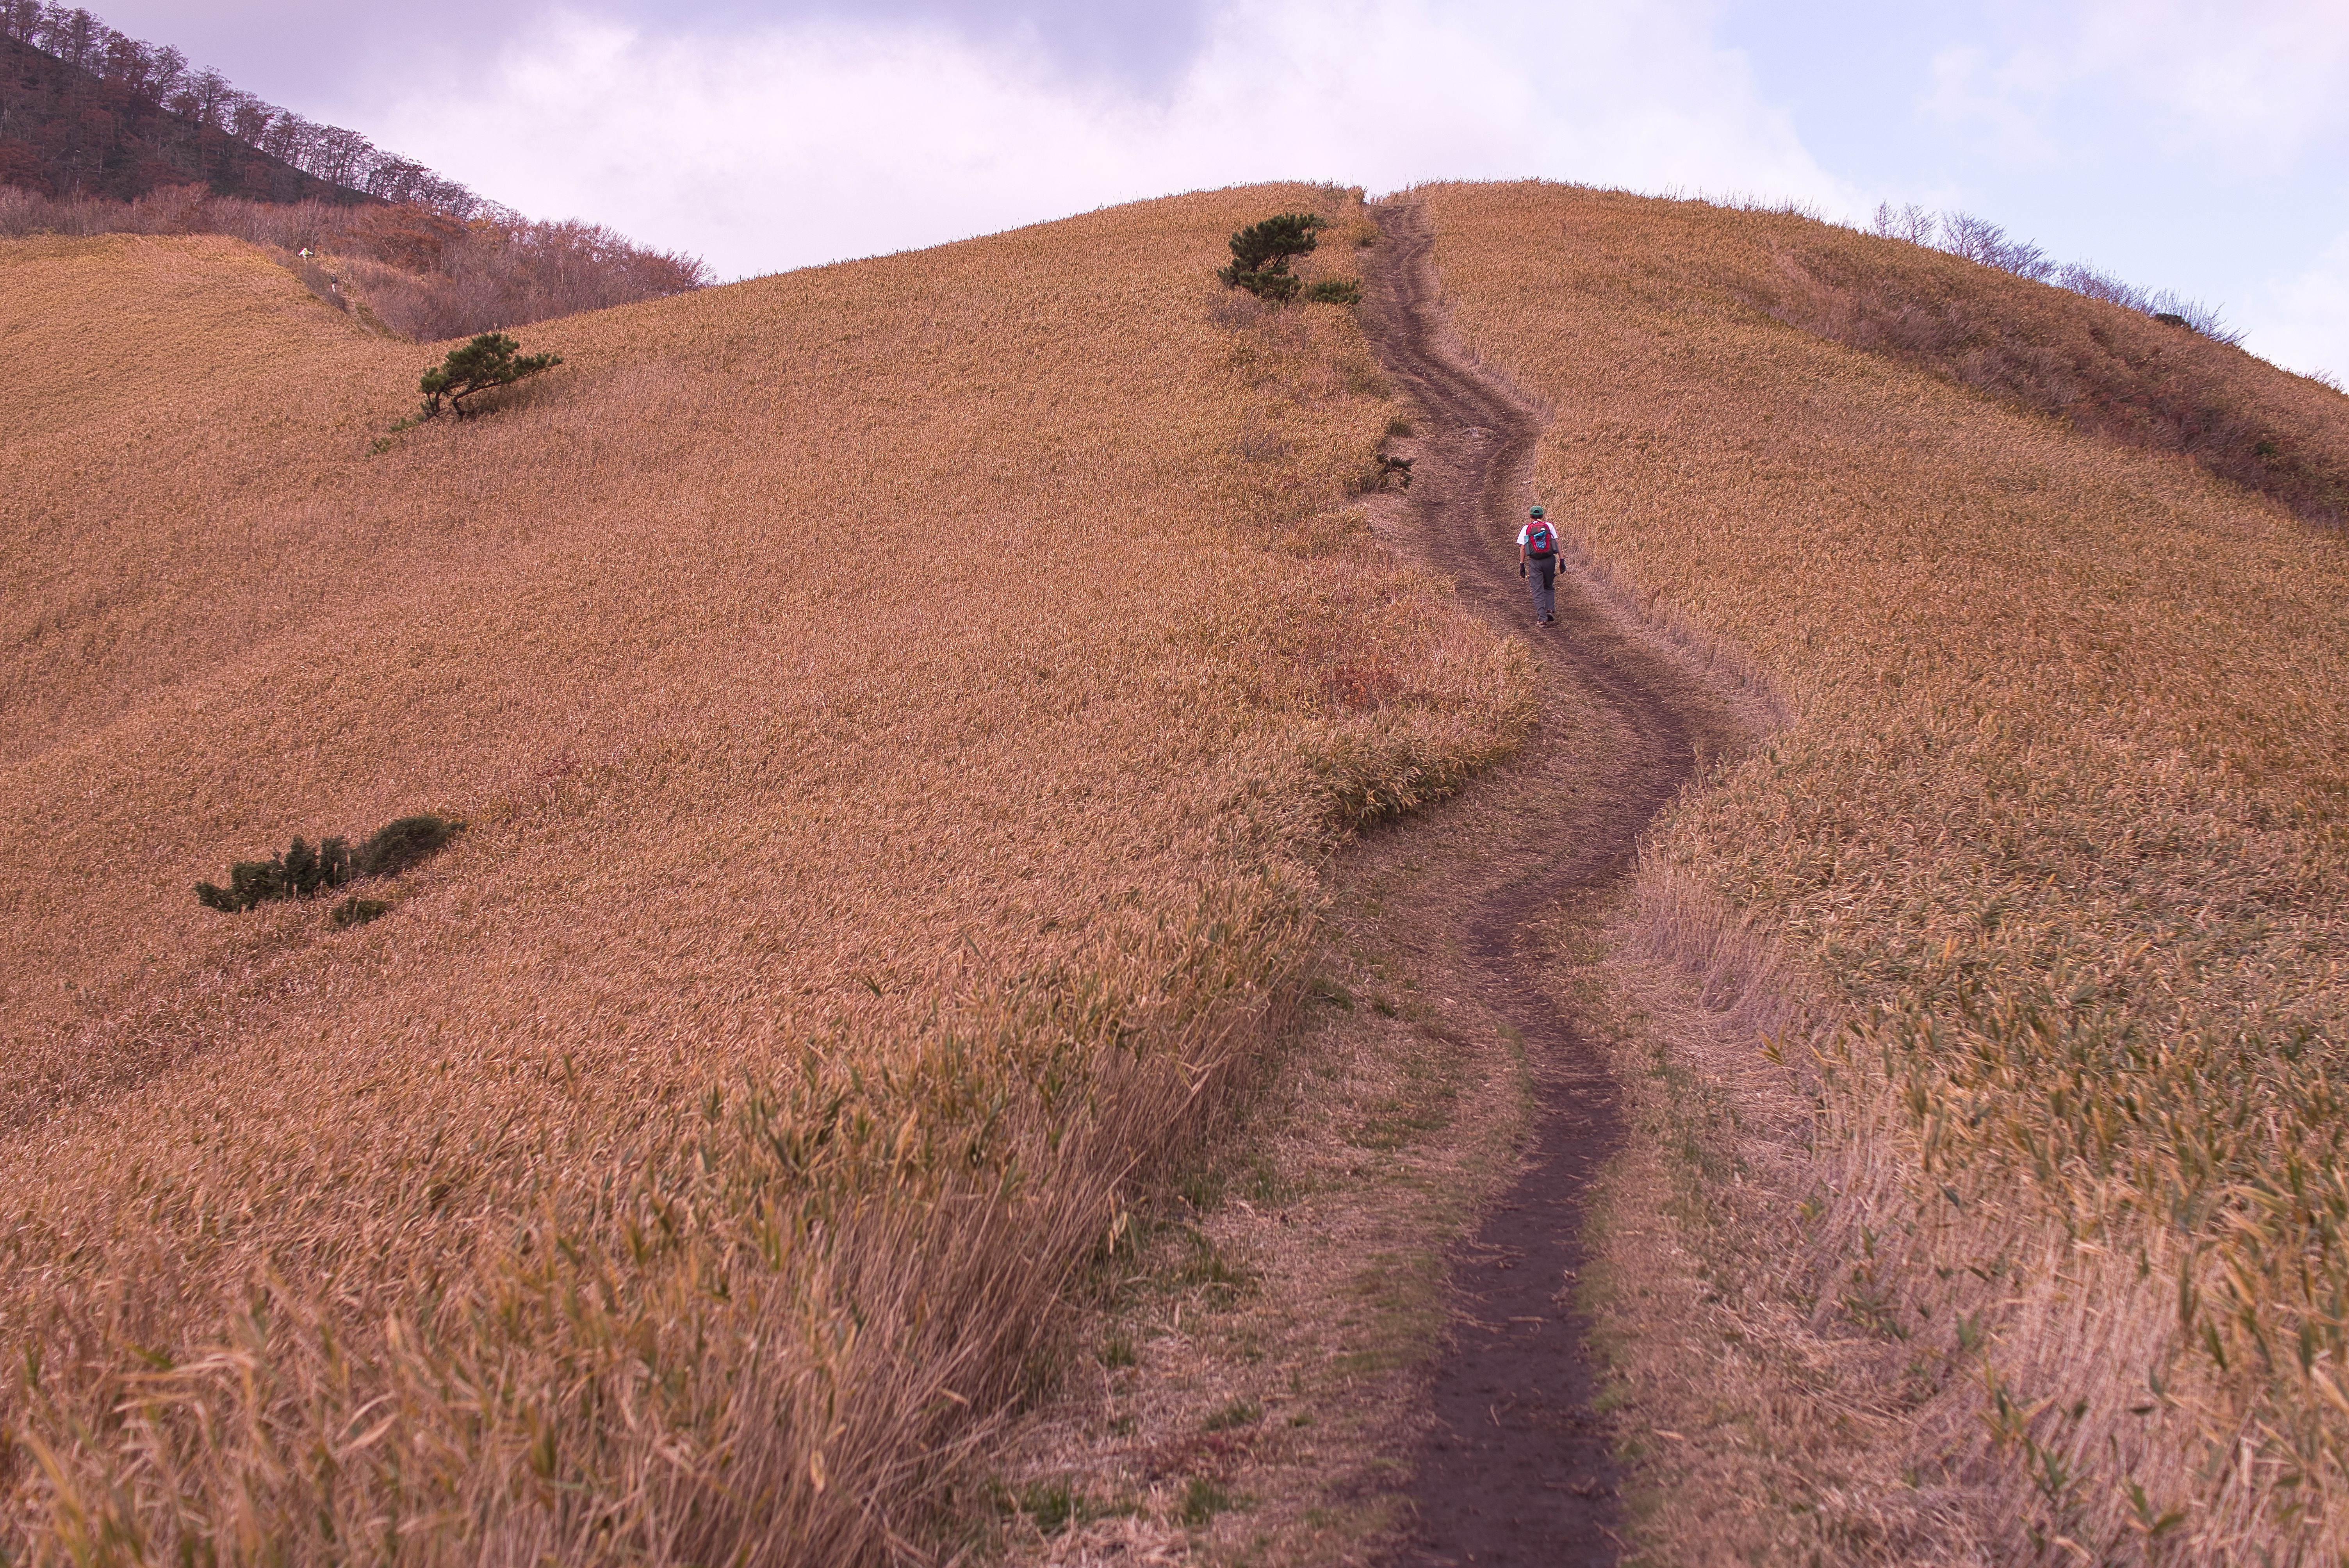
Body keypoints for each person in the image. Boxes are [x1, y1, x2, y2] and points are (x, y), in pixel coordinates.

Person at [1517, 504, 1559, 626]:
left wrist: (1522, 564)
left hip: (1535, 562)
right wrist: (1562, 560)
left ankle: (1542, 619)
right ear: (1542, 516)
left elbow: (1523, 547)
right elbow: (1557, 542)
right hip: (1550, 560)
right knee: (1549, 585)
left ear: (1531, 516)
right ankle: (1549, 608)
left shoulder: (1527, 528)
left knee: (1537, 589)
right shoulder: (1549, 526)